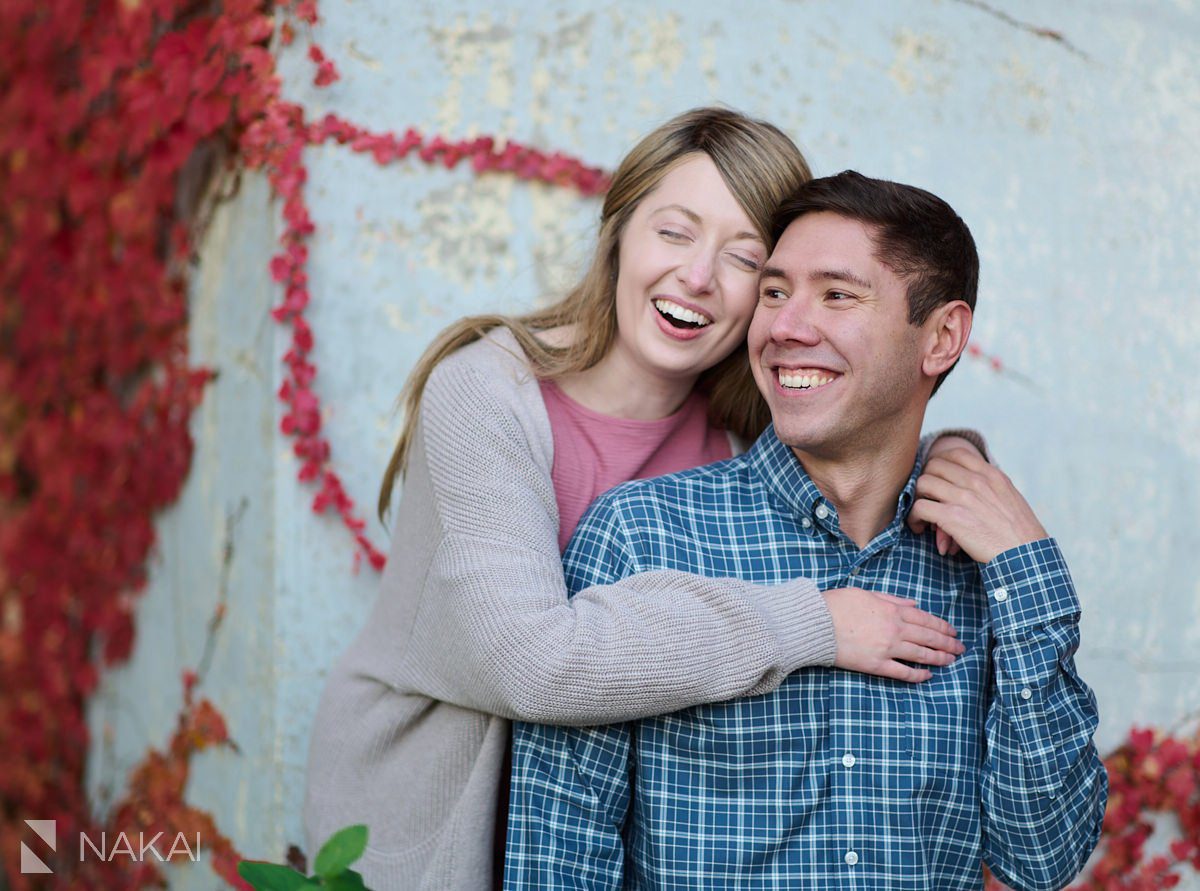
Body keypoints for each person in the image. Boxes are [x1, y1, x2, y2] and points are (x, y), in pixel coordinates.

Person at [303, 111, 983, 891]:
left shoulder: (743, 435)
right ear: (619, 232)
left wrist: (953, 460)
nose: (697, 277)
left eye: (743, 260)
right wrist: (814, 622)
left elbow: (873, 428)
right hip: (432, 833)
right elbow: (533, 663)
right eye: (675, 232)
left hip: (603, 851)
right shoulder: (489, 395)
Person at [505, 171, 1107, 891]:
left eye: (837, 294)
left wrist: (1027, 569)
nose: (786, 327)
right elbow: (556, 859)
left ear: (942, 336)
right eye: (774, 291)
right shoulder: (643, 535)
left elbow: (1042, 859)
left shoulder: (985, 564)